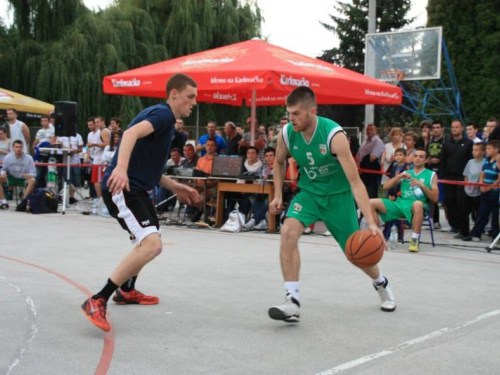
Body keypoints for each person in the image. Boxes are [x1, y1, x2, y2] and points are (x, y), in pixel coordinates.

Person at [81, 73, 200, 332]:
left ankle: (126, 290)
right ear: (174, 94)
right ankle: (97, 299)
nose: (194, 102)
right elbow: (130, 133)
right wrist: (121, 169)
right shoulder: (164, 115)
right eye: (190, 97)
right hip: (124, 188)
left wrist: (176, 186)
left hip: (138, 189)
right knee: (152, 245)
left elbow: (150, 168)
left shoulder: (165, 121)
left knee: (147, 238)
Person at [268, 86, 394, 323]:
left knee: (355, 253)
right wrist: (277, 195)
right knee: (287, 232)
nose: (291, 119)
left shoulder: (334, 136)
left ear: (312, 111)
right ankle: (292, 300)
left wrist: (370, 220)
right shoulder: (287, 133)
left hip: (338, 196)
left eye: (296, 114)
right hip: (309, 192)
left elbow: (356, 181)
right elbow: (278, 162)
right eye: (289, 113)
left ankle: (381, 283)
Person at [371, 148, 439, 252]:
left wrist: (422, 185)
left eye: (421, 157)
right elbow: (385, 187)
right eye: (415, 156)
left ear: (426, 160)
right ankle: (375, 237)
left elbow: (435, 198)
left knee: (417, 204)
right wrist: (398, 176)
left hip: (417, 206)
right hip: (400, 204)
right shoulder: (406, 172)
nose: (417, 159)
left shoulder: (431, 175)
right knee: (371, 203)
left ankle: (414, 239)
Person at [462, 140, 500, 242]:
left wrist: (489, 187)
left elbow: (499, 178)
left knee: (496, 216)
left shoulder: (498, 160)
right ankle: (476, 233)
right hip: (484, 192)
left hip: (495, 192)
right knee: (482, 214)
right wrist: (482, 185)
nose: (486, 150)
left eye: (489, 148)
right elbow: (482, 173)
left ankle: (495, 237)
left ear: (496, 149)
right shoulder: (487, 160)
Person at [441, 120, 473, 236]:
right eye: (453, 127)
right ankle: (454, 225)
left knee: (462, 203)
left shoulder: (468, 143)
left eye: (457, 127)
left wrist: (468, 177)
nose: (454, 129)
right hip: (448, 177)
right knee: (450, 203)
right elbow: (443, 160)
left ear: (462, 128)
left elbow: (470, 161)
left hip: (462, 178)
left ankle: (464, 229)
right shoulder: (447, 143)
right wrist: (442, 175)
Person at [0, 140, 36, 209]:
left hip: (23, 178)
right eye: (16, 147)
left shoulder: (29, 158)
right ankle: (3, 200)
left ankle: (24, 201)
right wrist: (3, 173)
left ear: (23, 148)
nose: (18, 149)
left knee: (32, 180)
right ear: (13, 148)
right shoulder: (7, 157)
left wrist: (29, 175)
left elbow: (34, 173)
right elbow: (3, 169)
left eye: (20, 147)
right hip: (11, 178)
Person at [51, 131, 84, 204]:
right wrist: (66, 149)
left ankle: (72, 196)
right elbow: (58, 146)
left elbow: (81, 148)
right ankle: (64, 196)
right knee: (67, 179)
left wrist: (74, 151)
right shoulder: (61, 136)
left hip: (75, 162)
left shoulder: (78, 136)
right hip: (65, 161)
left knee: (75, 180)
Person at [461, 143, 485, 238]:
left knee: (477, 214)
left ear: (483, 152)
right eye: (473, 150)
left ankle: (477, 232)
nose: (474, 152)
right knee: (464, 212)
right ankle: (464, 232)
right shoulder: (470, 162)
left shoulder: (484, 163)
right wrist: (466, 186)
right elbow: (466, 175)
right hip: (468, 191)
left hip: (478, 193)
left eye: (477, 150)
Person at [426, 120, 447, 229]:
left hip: (441, 172)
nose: (435, 130)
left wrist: (439, 159)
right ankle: (433, 220)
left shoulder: (446, 140)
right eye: (433, 128)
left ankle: (449, 221)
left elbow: (447, 155)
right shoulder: (430, 141)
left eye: (438, 127)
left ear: (442, 128)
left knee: (441, 198)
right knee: (430, 197)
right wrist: (428, 160)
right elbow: (426, 153)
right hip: (430, 171)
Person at [357, 123, 384, 199]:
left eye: (371, 129)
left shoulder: (378, 142)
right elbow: (359, 155)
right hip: (362, 171)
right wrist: (358, 165)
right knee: (363, 193)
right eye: (367, 130)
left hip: (372, 171)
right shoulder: (364, 142)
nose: (369, 131)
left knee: (371, 193)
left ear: (376, 130)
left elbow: (373, 157)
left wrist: (363, 163)